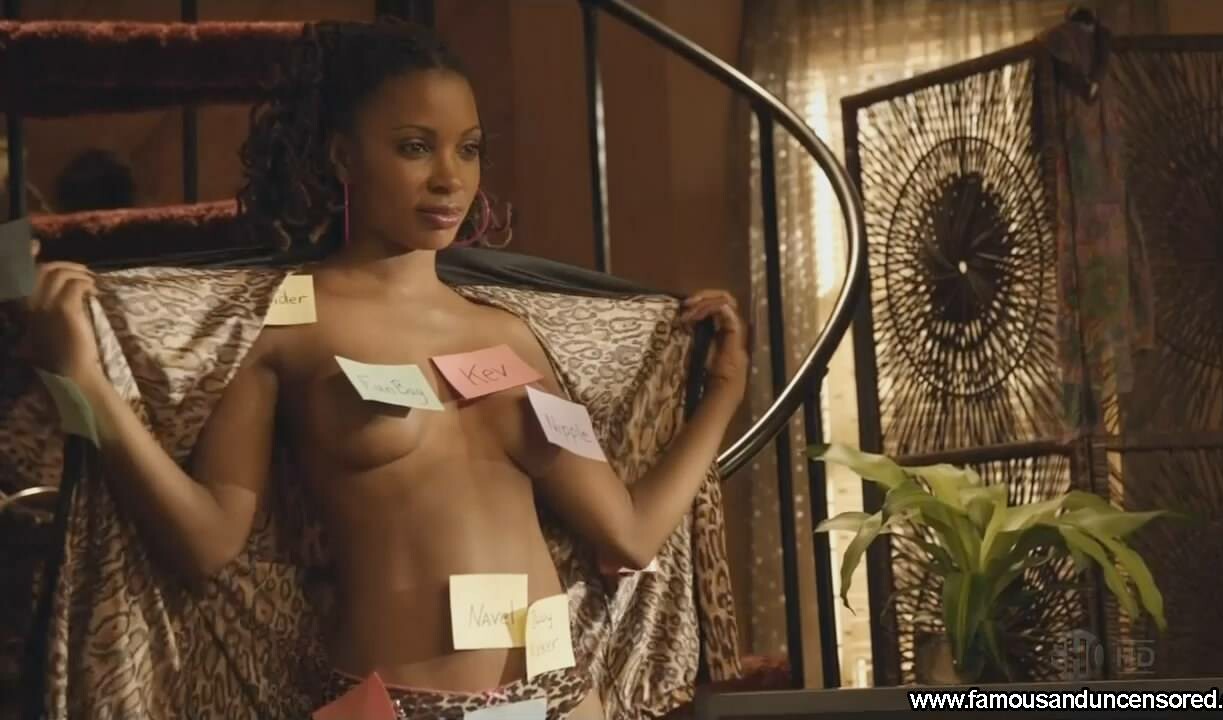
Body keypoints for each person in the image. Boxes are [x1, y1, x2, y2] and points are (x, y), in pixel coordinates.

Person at [20, 19, 748, 720]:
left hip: (560, 702)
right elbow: (206, 544)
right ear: (342, 158)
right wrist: (88, 389)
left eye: (468, 149)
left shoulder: (514, 336)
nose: (449, 178)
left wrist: (722, 394)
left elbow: (628, 535)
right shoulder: (288, 328)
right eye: (414, 147)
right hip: (394, 708)